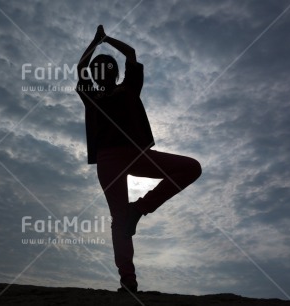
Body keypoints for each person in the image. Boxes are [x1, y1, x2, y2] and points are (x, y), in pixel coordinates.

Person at [75, 25, 202, 293]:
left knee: (191, 168)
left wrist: (107, 40)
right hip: (108, 160)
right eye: (100, 69)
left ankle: (139, 209)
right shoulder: (92, 95)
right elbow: (81, 65)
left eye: (109, 68)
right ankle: (128, 281)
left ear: (116, 73)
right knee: (118, 220)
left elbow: (131, 54)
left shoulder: (129, 88)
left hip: (136, 154)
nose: (104, 72)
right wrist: (94, 43)